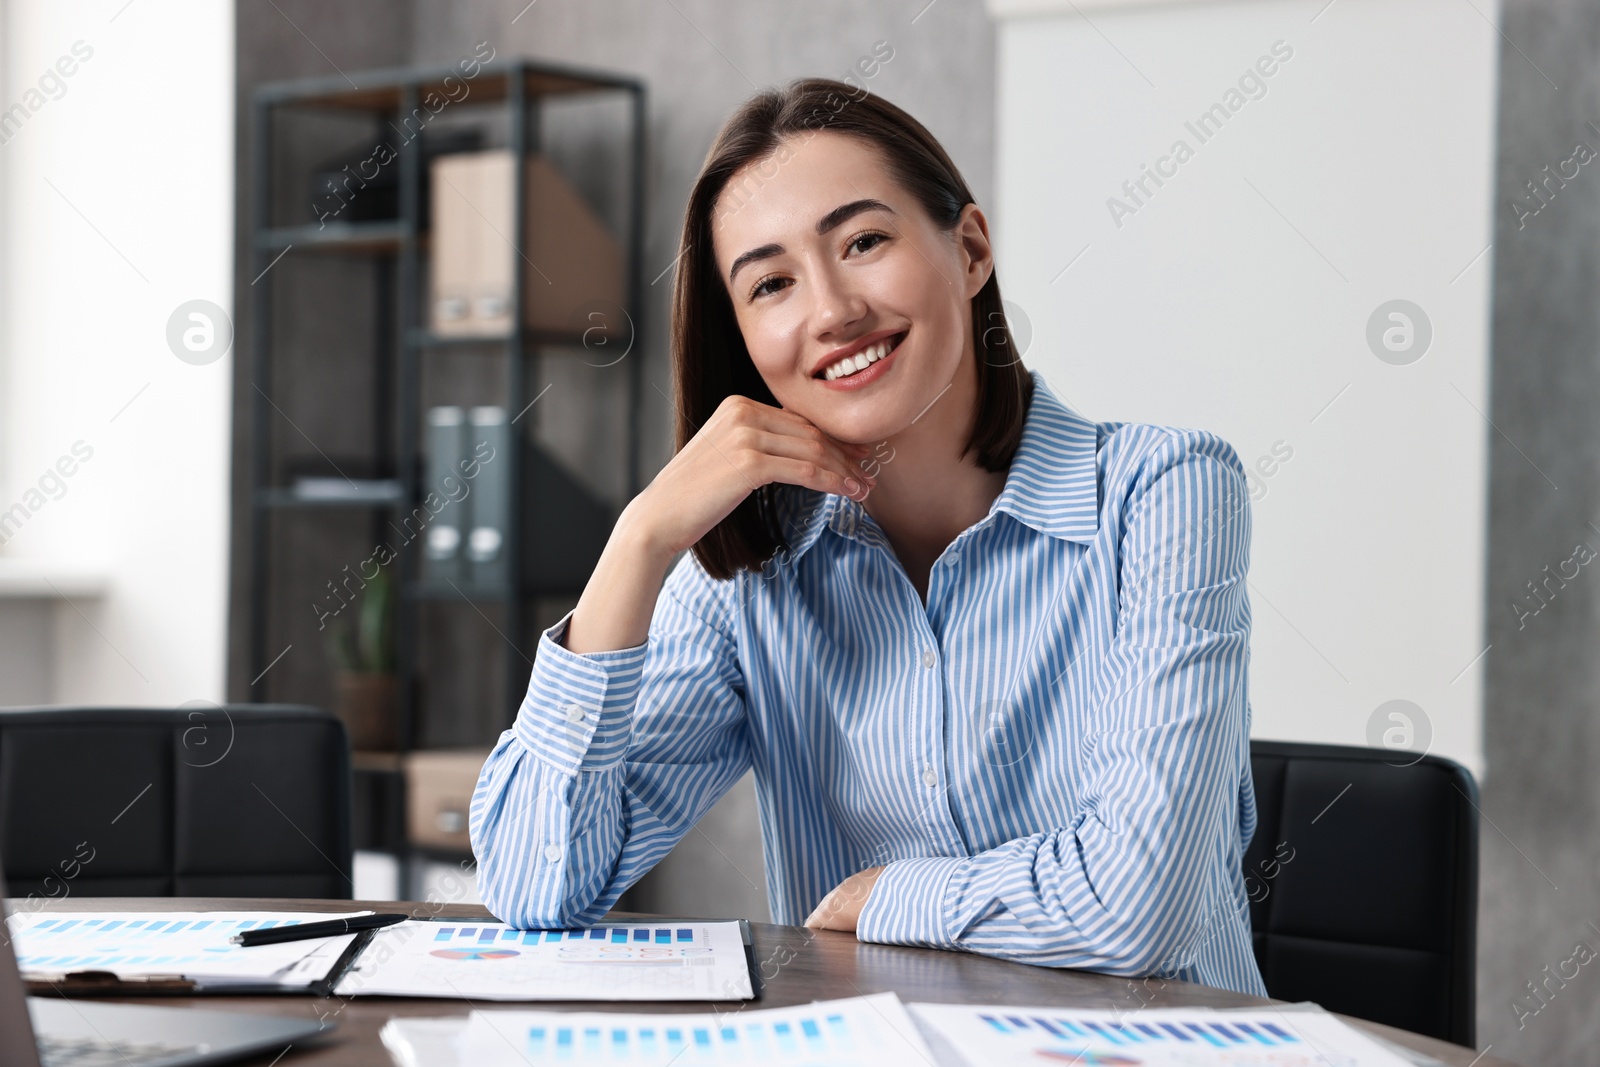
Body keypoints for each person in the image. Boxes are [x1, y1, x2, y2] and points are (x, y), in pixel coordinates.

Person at [469, 76, 1266, 996]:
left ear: (969, 251)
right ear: (743, 339)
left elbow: (1140, 909)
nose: (832, 310)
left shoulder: (1161, 492)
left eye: (864, 241)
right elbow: (535, 886)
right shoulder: (750, 572)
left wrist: (892, 896)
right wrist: (640, 540)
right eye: (771, 283)